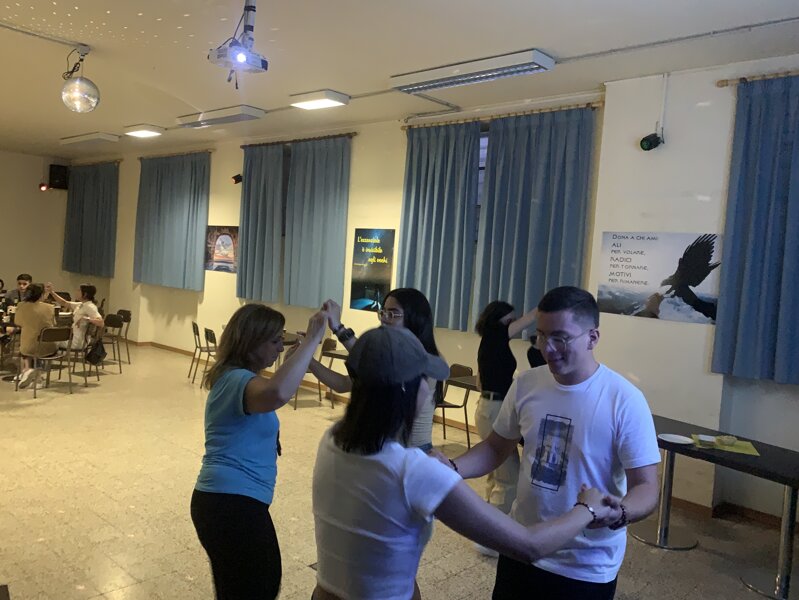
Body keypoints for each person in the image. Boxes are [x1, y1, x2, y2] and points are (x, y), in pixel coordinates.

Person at [311, 326, 617, 600]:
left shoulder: (332, 439)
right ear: (407, 388)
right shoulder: (412, 471)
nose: (429, 387)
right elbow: (529, 546)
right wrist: (587, 508)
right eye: (425, 379)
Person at [447, 286, 660, 600]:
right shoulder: (527, 384)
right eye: (541, 336)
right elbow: (494, 448)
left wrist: (621, 512)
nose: (548, 348)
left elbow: (646, 486)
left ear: (592, 338)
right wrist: (450, 468)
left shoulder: (624, 400)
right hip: (519, 546)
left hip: (585, 566)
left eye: (561, 338)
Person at [191, 303, 328, 600]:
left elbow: (275, 387)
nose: (280, 348)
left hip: (230, 502)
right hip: (230, 503)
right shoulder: (235, 379)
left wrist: (295, 359)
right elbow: (276, 393)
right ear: (251, 341)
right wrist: (313, 339)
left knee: (246, 588)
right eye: (275, 341)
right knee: (256, 587)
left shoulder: (236, 377)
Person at [309, 288, 447, 452]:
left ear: (414, 318)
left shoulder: (423, 357)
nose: (385, 319)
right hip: (386, 449)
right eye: (383, 312)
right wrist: (307, 360)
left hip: (414, 450)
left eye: (393, 314)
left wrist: (339, 328)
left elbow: (372, 356)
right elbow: (342, 384)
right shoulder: (388, 359)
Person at [473, 301, 538, 540]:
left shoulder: (489, 342)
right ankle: (496, 536)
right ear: (498, 319)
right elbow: (529, 319)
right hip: (494, 408)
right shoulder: (494, 334)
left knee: (497, 469)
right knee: (508, 476)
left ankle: (486, 523)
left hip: (488, 407)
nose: (514, 323)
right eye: (510, 319)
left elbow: (479, 382)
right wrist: (544, 307)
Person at [12, 283, 56, 388]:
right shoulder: (50, 307)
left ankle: (27, 370)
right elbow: (53, 323)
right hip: (49, 346)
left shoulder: (21, 305)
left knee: (26, 345)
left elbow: (18, 322)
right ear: (42, 294)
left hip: (29, 347)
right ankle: (35, 377)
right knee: (34, 343)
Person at [46, 283, 104, 349]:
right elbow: (64, 303)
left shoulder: (90, 306)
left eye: (79, 290)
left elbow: (101, 322)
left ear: (85, 294)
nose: (76, 292)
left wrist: (86, 318)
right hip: (73, 337)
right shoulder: (82, 304)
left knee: (48, 341)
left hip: (77, 341)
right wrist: (51, 292)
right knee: (51, 338)